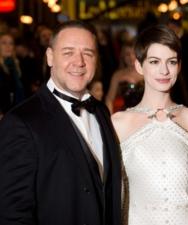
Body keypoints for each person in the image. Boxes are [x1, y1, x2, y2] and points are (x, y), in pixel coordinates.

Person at [0, 21, 122, 225]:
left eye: (88, 53)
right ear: (49, 57)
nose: (79, 62)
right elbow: (12, 214)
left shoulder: (101, 111)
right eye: (68, 52)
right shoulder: (21, 122)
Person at [112, 25, 188, 225]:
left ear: (179, 66)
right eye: (154, 62)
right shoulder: (119, 123)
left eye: (172, 62)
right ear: (139, 66)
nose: (164, 70)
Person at [105, 42, 143, 113]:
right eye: (127, 54)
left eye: (133, 53)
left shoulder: (147, 72)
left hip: (146, 115)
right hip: (125, 116)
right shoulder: (117, 75)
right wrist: (109, 119)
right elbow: (109, 99)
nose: (131, 57)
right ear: (123, 57)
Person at [0, 33, 25, 117]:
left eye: (11, 43)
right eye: (4, 43)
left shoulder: (14, 66)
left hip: (13, 113)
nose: (8, 46)